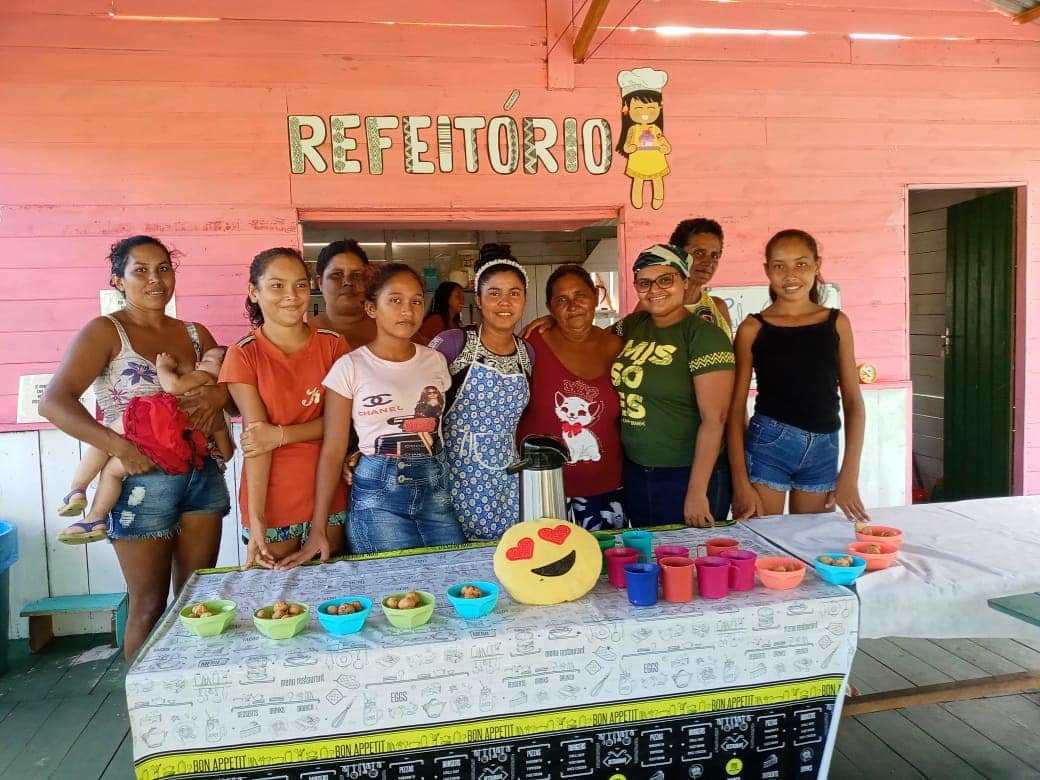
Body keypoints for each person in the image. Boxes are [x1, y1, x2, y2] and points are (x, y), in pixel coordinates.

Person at [39, 235, 230, 658]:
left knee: (198, 600)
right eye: (139, 270)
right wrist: (120, 449)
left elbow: (223, 395)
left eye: (163, 267)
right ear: (118, 280)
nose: (155, 279)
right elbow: (54, 402)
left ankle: (190, 697)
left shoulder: (196, 334)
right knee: (148, 605)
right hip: (141, 482)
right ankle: (147, 714)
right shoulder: (107, 331)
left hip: (202, 475)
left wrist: (220, 398)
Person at [284, 264, 465, 564]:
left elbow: (439, 429)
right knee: (395, 594)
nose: (407, 310)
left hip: (437, 494)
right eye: (395, 300)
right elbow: (333, 449)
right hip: (379, 499)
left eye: (416, 300)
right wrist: (318, 528)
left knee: (457, 581)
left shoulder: (435, 361)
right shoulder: (350, 366)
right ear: (371, 308)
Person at [220, 247, 349, 569]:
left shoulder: (333, 344)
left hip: (329, 492)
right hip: (273, 498)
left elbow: (340, 427)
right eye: (277, 285)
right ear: (254, 291)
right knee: (281, 600)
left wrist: (278, 435)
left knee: (334, 593)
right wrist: (258, 518)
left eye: (300, 285)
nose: (291, 295)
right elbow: (256, 442)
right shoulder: (244, 354)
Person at [728, 230, 869, 523]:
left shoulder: (837, 323)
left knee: (809, 542)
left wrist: (849, 475)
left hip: (824, 450)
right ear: (767, 270)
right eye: (779, 265)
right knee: (764, 542)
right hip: (768, 446)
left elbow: (854, 401)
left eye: (801, 264)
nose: (790, 274)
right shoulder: (752, 329)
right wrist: (740, 483)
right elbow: (735, 408)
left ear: (817, 265)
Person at [55, 346, 234, 545]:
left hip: (155, 420)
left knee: (105, 441)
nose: (199, 363)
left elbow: (173, 386)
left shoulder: (204, 378)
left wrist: (163, 367)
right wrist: (219, 426)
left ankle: (77, 489)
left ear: (226, 371)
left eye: (208, 360)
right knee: (112, 471)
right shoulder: (215, 409)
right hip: (173, 451)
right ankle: (96, 518)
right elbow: (225, 454)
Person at [612, 244, 735, 528]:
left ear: (685, 281)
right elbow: (590, 339)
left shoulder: (704, 336)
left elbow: (715, 419)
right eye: (644, 283)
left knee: (689, 565)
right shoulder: (634, 325)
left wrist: (696, 492)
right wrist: (549, 323)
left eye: (665, 279)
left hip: (687, 474)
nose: (655, 289)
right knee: (649, 561)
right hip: (637, 472)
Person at [430, 243, 534, 540]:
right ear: (477, 299)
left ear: (525, 298)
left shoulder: (527, 353)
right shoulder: (453, 343)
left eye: (514, 293)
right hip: (454, 480)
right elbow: (414, 401)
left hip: (509, 481)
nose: (505, 302)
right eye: (494, 293)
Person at [518, 264, 626, 529]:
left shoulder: (617, 347)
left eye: (581, 295)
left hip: (606, 486)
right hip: (543, 489)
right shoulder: (531, 345)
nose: (573, 305)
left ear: (596, 297)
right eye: (561, 300)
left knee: (604, 565)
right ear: (550, 308)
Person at [310, 239, 376, 348]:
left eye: (357, 275)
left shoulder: (390, 331)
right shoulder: (302, 337)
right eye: (337, 274)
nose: (348, 282)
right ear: (320, 283)